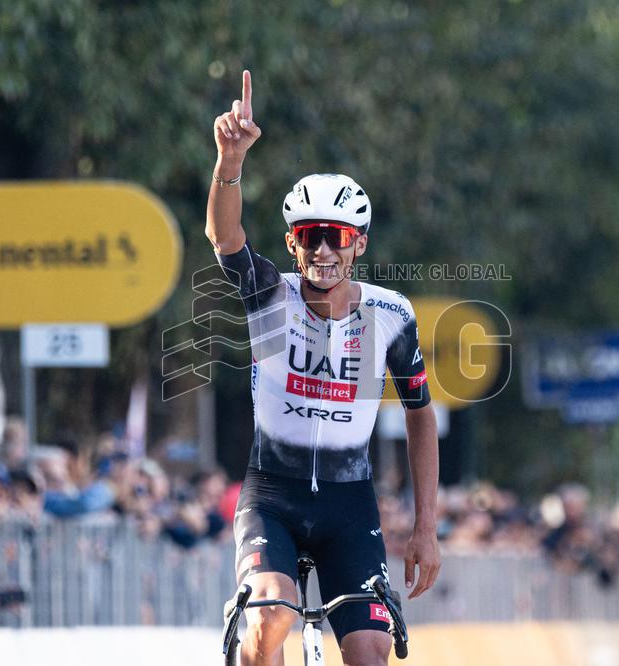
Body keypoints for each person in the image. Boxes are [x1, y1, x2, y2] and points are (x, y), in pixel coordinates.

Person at [207, 70, 441, 666]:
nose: (323, 251)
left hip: (348, 504)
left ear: (359, 243)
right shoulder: (270, 299)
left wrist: (426, 527)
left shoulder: (391, 314)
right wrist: (229, 161)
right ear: (292, 243)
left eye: (336, 236)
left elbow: (420, 416)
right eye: (310, 236)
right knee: (270, 616)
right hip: (272, 497)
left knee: (370, 650)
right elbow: (224, 235)